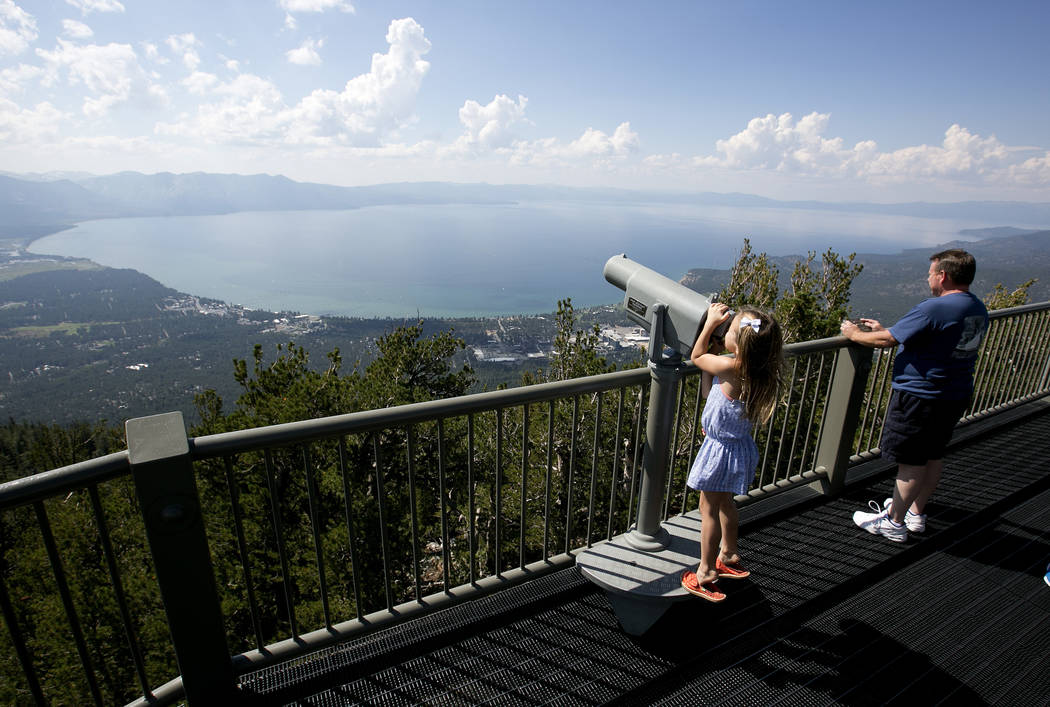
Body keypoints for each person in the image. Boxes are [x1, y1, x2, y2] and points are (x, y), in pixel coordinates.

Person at [841, 249, 989, 542]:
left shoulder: (935, 308)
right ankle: (915, 513)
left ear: (943, 276)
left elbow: (886, 340)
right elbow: (931, 341)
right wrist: (891, 331)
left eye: (931, 272)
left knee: (911, 461)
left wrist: (854, 334)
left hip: (921, 395)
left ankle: (894, 522)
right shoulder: (976, 307)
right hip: (954, 392)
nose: (928, 277)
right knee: (933, 454)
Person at [681, 303, 784, 601]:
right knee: (726, 503)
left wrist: (708, 325)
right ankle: (729, 554)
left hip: (720, 451)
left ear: (738, 343)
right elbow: (710, 393)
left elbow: (697, 357)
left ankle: (706, 573)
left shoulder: (729, 366)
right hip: (736, 446)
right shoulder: (757, 370)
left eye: (730, 329)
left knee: (708, 510)